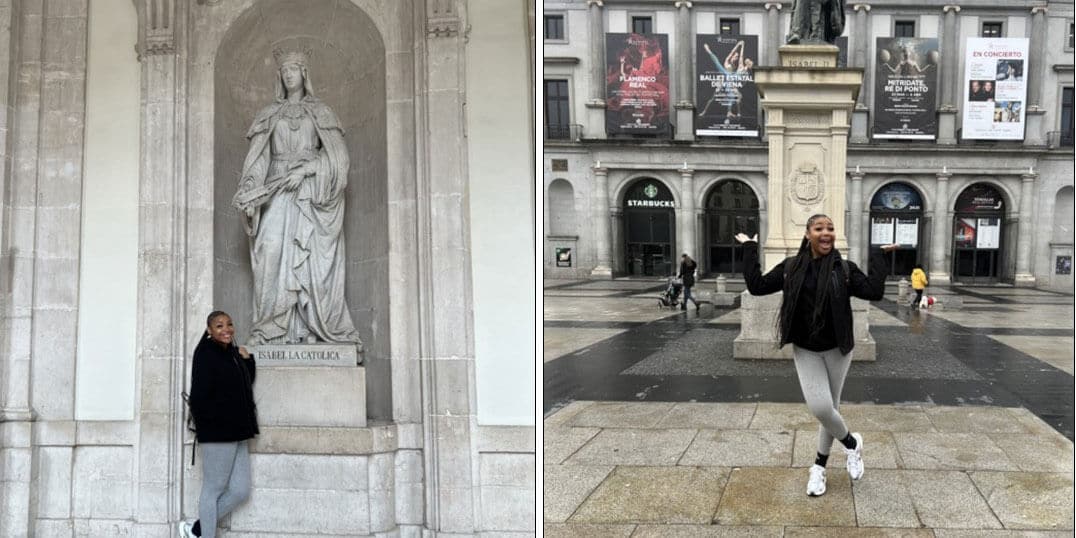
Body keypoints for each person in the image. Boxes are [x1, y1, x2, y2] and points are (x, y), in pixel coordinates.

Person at [735, 215, 898, 497]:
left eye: (830, 229)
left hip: (838, 349)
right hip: (806, 350)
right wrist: (750, 248)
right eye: (819, 229)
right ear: (808, 234)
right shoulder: (791, 267)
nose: (826, 233)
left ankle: (819, 468)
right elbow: (757, 286)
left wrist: (878, 256)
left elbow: (874, 291)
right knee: (821, 408)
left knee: (830, 410)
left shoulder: (844, 269)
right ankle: (851, 444)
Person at [232, 49, 362, 346]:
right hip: (277, 189)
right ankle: (272, 329)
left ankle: (312, 328)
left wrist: (306, 171)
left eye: (294, 69)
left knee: (311, 257)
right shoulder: (268, 114)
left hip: (310, 194)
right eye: (284, 70)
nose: (288, 74)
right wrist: (251, 190)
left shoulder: (322, 112)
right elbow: (257, 161)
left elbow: (339, 160)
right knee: (270, 249)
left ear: (305, 73)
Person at [180, 311, 259, 538]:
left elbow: (245, 383)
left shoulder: (231, 353)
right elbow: (199, 397)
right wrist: (210, 428)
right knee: (213, 489)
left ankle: (195, 530)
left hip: (239, 430)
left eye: (229, 324)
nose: (226, 329)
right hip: (218, 433)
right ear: (209, 330)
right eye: (219, 325)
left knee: (240, 491)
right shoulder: (205, 353)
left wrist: (247, 360)